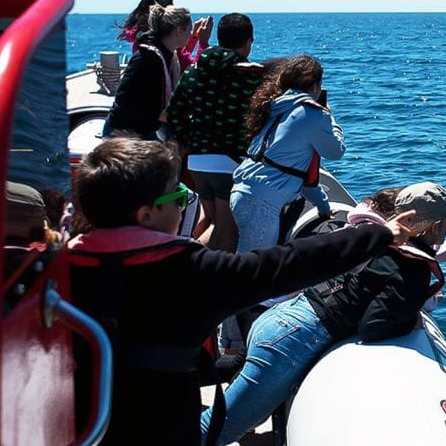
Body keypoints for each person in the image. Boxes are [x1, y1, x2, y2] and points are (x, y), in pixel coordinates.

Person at [67, 137, 416, 445]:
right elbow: (289, 263)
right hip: (163, 429)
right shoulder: (191, 272)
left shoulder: (60, 268)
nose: (184, 205)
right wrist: (378, 235)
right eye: (178, 197)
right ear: (146, 215)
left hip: (80, 425)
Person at [201, 182, 446, 445]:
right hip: (294, 339)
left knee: (236, 415)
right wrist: (410, 319)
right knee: (215, 430)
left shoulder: (378, 237)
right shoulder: (413, 267)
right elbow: (374, 326)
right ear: (436, 227)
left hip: (280, 318)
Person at [167, 13, 264, 251]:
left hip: (197, 162)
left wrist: (189, 140)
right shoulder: (249, 76)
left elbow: (174, 112)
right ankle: (191, 267)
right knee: (227, 234)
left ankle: (185, 257)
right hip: (229, 161)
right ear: (248, 43)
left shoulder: (194, 71)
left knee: (211, 221)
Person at [231, 54, 344, 253]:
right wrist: (330, 119)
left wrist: (323, 207)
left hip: (245, 192)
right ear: (315, 86)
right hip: (262, 202)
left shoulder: (277, 107)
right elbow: (336, 151)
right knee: (255, 266)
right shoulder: (312, 114)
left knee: (247, 259)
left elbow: (296, 173)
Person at [103, 4, 192, 140]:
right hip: (124, 133)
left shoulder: (167, 56)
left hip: (143, 129)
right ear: (179, 31)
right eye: (190, 30)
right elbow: (126, 102)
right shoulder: (147, 59)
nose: (191, 34)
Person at [117, 0, 212, 71]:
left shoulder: (142, 39)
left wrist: (194, 36)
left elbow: (179, 59)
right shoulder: (160, 43)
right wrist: (203, 42)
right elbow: (195, 71)